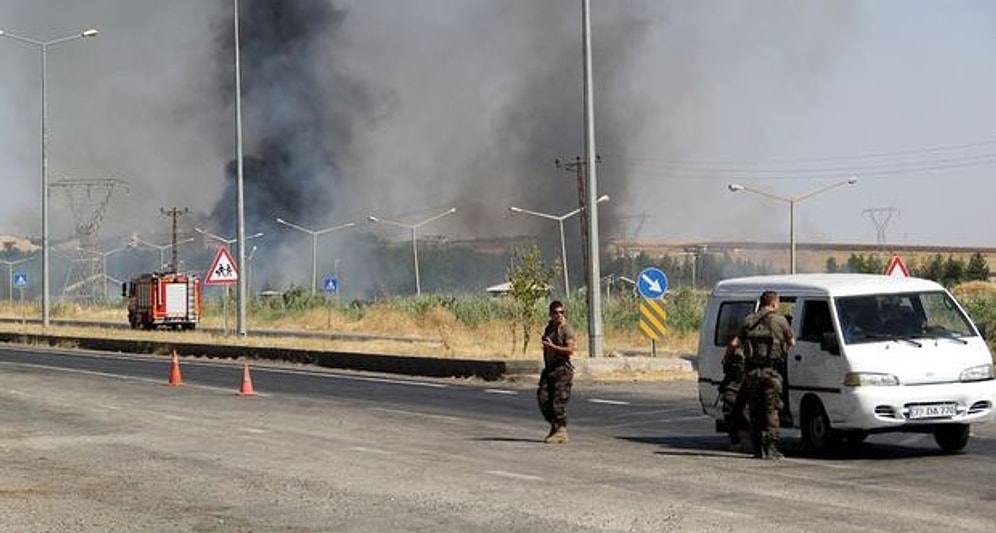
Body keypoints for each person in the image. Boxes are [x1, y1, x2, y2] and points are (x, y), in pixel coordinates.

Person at [740, 290, 796, 460]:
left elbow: (739, 340)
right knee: (771, 409)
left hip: (752, 373)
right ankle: (771, 447)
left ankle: (757, 448)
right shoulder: (780, 320)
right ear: (773, 303)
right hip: (771, 373)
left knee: (755, 410)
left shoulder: (748, 321)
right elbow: (792, 342)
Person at [537, 300, 576, 444]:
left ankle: (561, 431)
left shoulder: (566, 329)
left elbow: (570, 350)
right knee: (543, 399)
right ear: (550, 314)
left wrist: (552, 347)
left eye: (561, 312)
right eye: (555, 312)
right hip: (550, 369)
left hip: (562, 370)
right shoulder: (550, 328)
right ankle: (555, 427)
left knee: (558, 402)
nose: (559, 315)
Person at [719, 335, 750, 452]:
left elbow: (733, 344)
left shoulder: (738, 350)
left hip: (738, 381)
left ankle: (739, 441)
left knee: (732, 409)